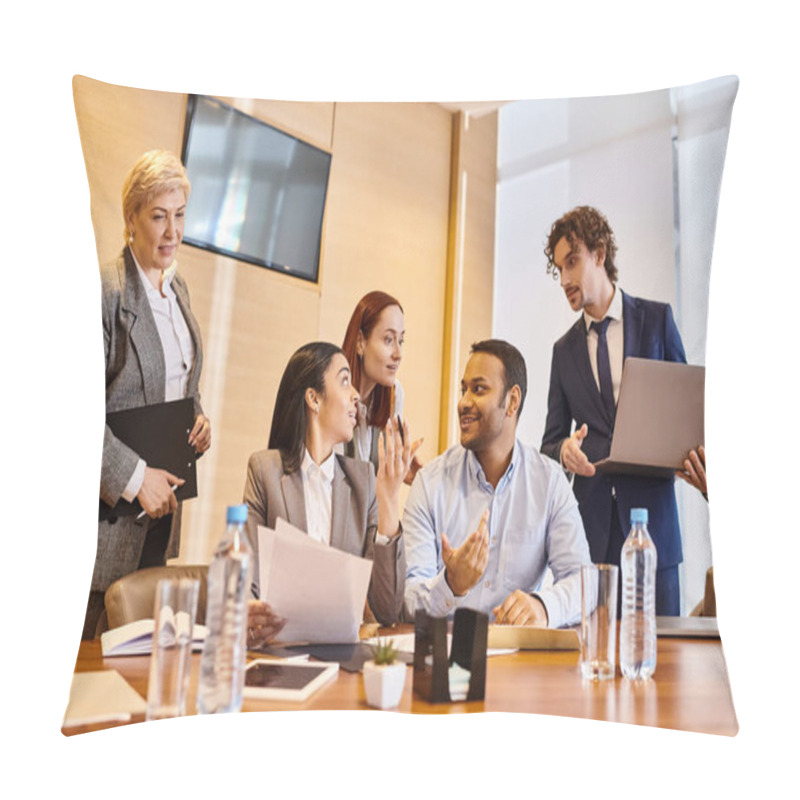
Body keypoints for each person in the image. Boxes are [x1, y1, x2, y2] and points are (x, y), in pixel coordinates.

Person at [84, 150, 211, 640]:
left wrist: (199, 421)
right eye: (158, 216)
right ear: (130, 218)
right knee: (89, 673)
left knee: (137, 670)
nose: (171, 230)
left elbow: (183, 386)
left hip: (161, 517)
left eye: (179, 215)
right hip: (107, 520)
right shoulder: (106, 292)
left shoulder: (179, 293)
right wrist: (136, 479)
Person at [540, 205, 686, 615]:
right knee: (596, 665)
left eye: (573, 261)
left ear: (599, 254)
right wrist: (563, 450)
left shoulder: (658, 322)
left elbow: (687, 413)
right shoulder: (562, 352)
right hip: (592, 536)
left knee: (667, 668)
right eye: (559, 268)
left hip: (655, 528)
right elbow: (551, 441)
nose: (565, 279)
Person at [404, 340, 591, 628]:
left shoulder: (551, 483)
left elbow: (585, 584)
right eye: (463, 389)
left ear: (512, 401)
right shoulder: (429, 484)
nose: (464, 402)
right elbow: (408, 600)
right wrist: (451, 584)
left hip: (522, 662)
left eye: (478, 389)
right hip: (449, 661)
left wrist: (543, 607)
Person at [243, 342, 420, 647]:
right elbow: (246, 576)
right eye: (344, 381)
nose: (356, 396)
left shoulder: (363, 480)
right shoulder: (265, 471)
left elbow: (387, 609)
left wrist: (389, 500)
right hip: (278, 653)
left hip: (341, 659)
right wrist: (246, 614)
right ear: (313, 398)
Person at [341, 291, 422, 484]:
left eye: (400, 341)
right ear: (360, 342)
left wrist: (399, 474)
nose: (398, 354)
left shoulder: (395, 394)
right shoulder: (337, 394)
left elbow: (380, 487)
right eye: (388, 340)